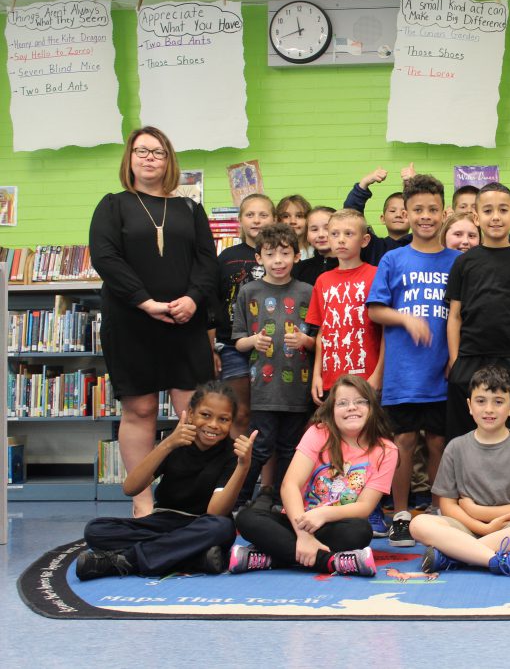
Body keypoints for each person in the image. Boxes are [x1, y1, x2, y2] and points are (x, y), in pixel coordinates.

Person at [88, 126, 218, 517]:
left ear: (169, 161)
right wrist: (145, 302)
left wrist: (193, 300)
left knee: (192, 414)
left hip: (185, 322)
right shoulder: (112, 205)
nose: (149, 158)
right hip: (131, 323)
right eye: (141, 151)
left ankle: (186, 501)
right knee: (140, 410)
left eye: (158, 152)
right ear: (129, 158)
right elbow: (105, 258)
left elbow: (207, 261)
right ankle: (142, 502)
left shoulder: (189, 209)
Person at [76, 381, 255, 580]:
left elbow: (215, 512)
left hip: (201, 526)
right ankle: (192, 558)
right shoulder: (175, 442)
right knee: (96, 530)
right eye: (205, 415)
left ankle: (126, 560)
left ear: (231, 423)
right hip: (164, 521)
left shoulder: (231, 454)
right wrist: (167, 444)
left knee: (222, 527)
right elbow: (131, 488)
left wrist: (243, 467)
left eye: (223, 419)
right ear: (191, 413)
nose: (213, 425)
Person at [367, 174, 461, 547]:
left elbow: (463, 314)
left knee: (439, 442)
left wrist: (455, 357)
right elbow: (375, 310)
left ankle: (438, 512)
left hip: (442, 370)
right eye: (417, 209)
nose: (425, 216)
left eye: (432, 209)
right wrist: (405, 317)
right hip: (404, 373)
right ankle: (402, 514)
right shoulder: (393, 259)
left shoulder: (457, 261)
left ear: (443, 213)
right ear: (405, 213)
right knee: (402, 441)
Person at [230, 376, 396, 576]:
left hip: (333, 525)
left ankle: (272, 557)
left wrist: (322, 514)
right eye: (342, 403)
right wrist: (303, 534)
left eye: (360, 401)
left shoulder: (387, 450)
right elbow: (289, 484)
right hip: (297, 520)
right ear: (331, 411)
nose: (352, 407)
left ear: (372, 408)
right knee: (247, 518)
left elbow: (364, 507)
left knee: (360, 531)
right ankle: (331, 562)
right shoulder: (319, 433)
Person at [410, 366, 510, 578]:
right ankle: (495, 559)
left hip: (507, 528)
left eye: (498, 401)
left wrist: (478, 512)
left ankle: (455, 555)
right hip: (464, 527)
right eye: (481, 401)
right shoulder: (455, 447)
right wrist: (480, 526)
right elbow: (446, 506)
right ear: (469, 405)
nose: (489, 409)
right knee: (419, 524)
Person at [445, 182, 510, 447]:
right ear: (477, 217)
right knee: (466, 439)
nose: (496, 217)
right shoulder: (463, 262)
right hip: (470, 361)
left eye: (503, 210)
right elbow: (454, 316)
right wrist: (456, 363)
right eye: (488, 211)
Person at [232, 223, 315, 503]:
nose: (278, 260)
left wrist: (305, 341)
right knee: (261, 446)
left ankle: (284, 499)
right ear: (259, 259)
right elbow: (238, 342)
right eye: (270, 254)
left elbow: (318, 342)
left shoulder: (308, 291)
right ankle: (238, 497)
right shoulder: (249, 292)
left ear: (297, 256)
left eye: (284, 253)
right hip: (263, 389)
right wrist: (254, 341)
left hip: (297, 388)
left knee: (290, 448)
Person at [212, 193, 274, 439]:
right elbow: (214, 301)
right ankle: (238, 473)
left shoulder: (279, 255)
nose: (256, 220)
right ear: (240, 221)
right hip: (232, 346)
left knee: (268, 413)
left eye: (263, 214)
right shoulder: (226, 257)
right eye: (250, 214)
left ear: (274, 219)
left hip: (272, 346)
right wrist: (213, 345)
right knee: (239, 412)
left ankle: (266, 477)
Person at [307, 210, 384, 405]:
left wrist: (378, 374)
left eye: (348, 234)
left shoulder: (377, 275)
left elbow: (387, 331)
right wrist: (317, 375)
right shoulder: (323, 281)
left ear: (364, 240)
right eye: (335, 234)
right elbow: (322, 332)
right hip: (331, 379)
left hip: (366, 376)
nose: (341, 240)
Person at [341, 167, 413, 266]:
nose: (398, 215)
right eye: (392, 211)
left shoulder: (422, 243)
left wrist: (418, 183)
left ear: (414, 217)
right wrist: (364, 183)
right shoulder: (372, 245)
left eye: (404, 212)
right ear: (382, 219)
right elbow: (351, 216)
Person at [292, 205, 337, 286]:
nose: (321, 235)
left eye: (327, 228)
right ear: (307, 236)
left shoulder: (350, 266)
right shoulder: (299, 270)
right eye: (314, 229)